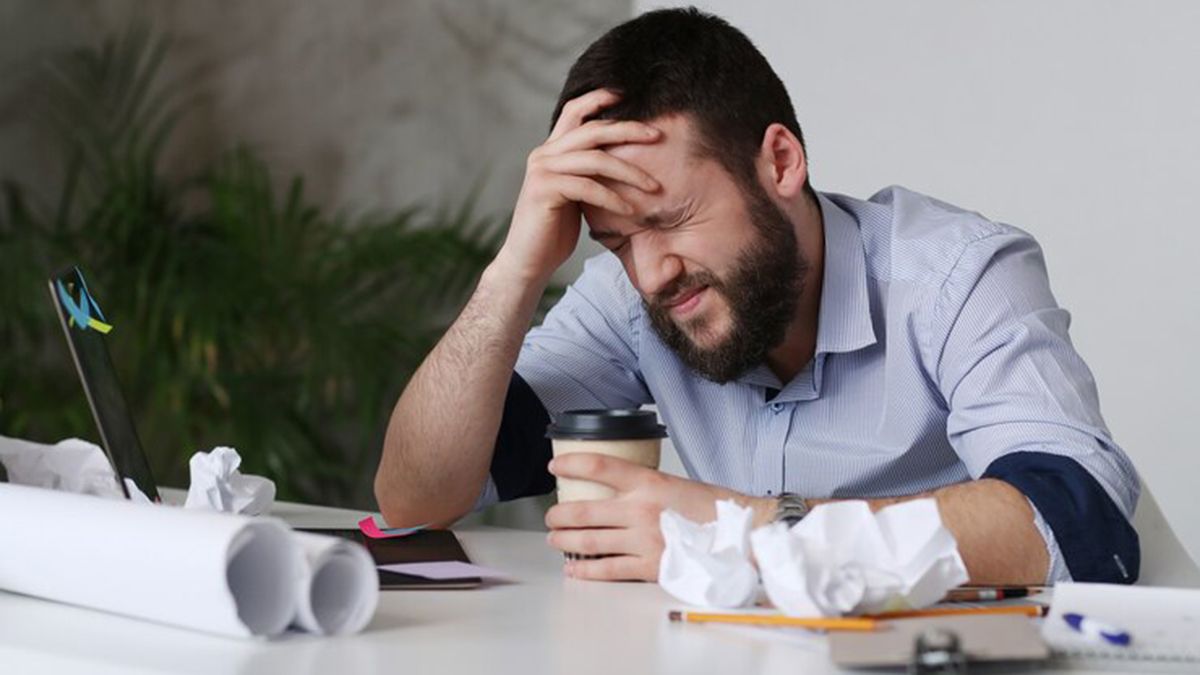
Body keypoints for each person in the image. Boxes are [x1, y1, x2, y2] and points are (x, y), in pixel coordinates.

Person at [374, 7, 1139, 586]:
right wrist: (515, 269)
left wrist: (739, 529)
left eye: (671, 218)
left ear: (779, 162)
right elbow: (417, 499)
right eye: (616, 241)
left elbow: (1079, 525)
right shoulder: (632, 296)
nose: (649, 274)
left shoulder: (956, 276)